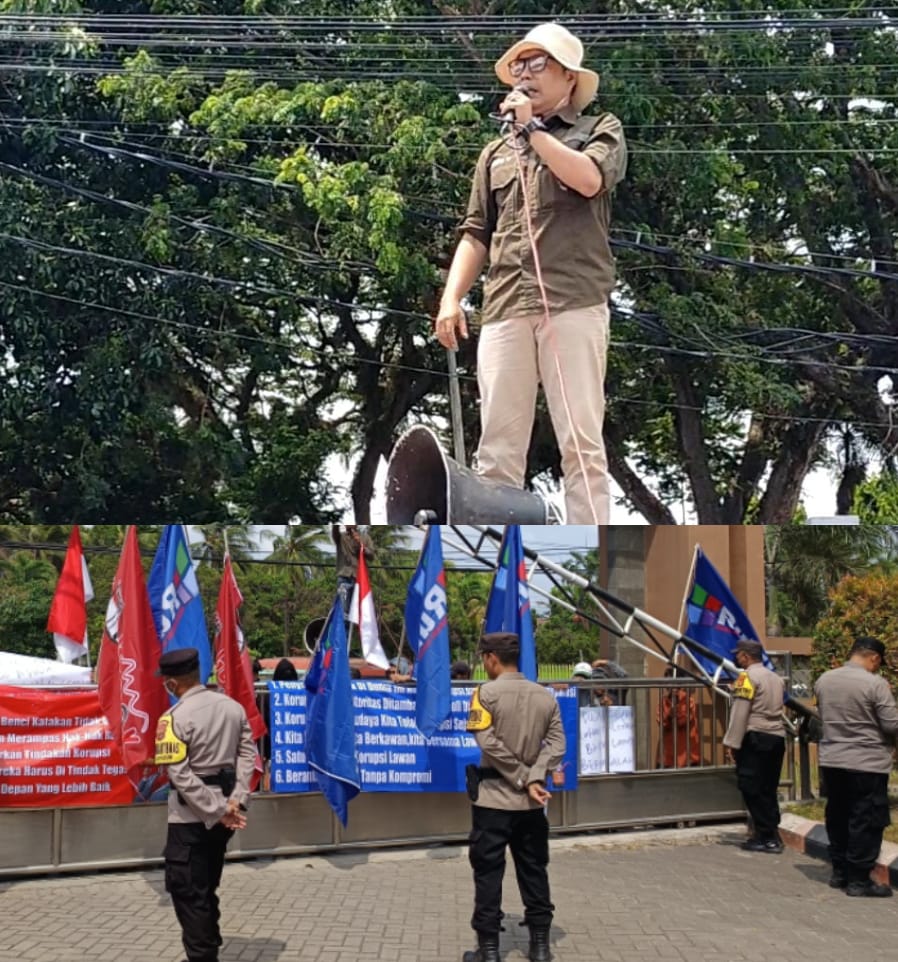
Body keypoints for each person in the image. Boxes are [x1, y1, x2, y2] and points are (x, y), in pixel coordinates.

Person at [435, 22, 627, 524]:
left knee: (580, 441)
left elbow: (588, 179)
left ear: (570, 79)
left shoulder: (599, 129)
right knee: (496, 448)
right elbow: (475, 233)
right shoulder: (496, 153)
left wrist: (535, 132)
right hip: (503, 307)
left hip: (573, 302)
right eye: (519, 66)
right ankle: (498, 548)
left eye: (538, 64)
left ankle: (591, 540)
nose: (525, 74)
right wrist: (451, 299)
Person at [463, 632, 566, 962]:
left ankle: (490, 951)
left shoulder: (484, 694)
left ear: (492, 658)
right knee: (534, 869)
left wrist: (522, 778)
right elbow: (557, 745)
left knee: (488, 873)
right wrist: (535, 777)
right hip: (533, 804)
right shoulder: (545, 696)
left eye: (484, 658)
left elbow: (487, 743)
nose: (484, 664)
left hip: (493, 800)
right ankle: (540, 947)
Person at [154, 647, 256, 962]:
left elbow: (180, 775)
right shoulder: (233, 707)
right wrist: (235, 801)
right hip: (226, 812)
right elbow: (249, 755)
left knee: (187, 891)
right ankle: (209, 940)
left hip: (190, 818)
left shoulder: (172, 718)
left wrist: (217, 811)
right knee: (207, 884)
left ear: (171, 683)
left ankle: (203, 954)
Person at [815, 636, 898, 897]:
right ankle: (859, 880)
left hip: (832, 760)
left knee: (837, 814)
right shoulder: (875, 684)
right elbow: (891, 724)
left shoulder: (823, 680)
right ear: (874, 657)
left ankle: (839, 872)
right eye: (878, 663)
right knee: (866, 818)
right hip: (867, 762)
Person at [723, 639, 786, 854]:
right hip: (776, 736)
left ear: (746, 656)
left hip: (755, 737)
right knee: (768, 787)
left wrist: (732, 742)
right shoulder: (775, 678)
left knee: (751, 786)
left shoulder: (746, 677)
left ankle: (766, 836)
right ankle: (771, 832)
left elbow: (740, 711)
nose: (737, 658)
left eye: (738, 654)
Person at [658, 666, 700, 768]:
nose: (669, 685)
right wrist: (669, 716)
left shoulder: (688, 700)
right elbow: (661, 722)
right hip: (669, 754)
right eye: (667, 681)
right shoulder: (664, 701)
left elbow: (684, 720)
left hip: (687, 754)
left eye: (671, 681)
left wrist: (676, 710)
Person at [331, 525, 375, 615]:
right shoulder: (341, 537)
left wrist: (360, 545)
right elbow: (335, 531)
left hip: (359, 578)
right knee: (343, 609)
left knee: (359, 611)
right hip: (344, 577)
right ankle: (345, 628)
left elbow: (371, 556)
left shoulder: (365, 537)